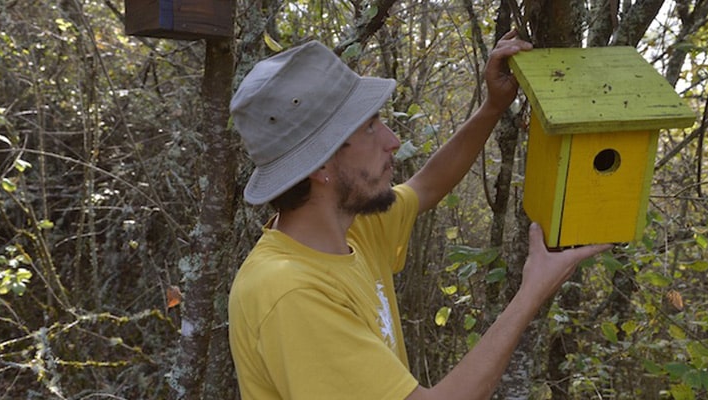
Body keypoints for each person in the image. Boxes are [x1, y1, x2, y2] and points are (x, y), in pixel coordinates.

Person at [227, 31, 613, 400]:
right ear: (320, 166)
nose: (392, 141)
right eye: (370, 128)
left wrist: (493, 107)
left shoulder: (350, 229)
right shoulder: (288, 293)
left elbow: (426, 186)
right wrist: (532, 292)